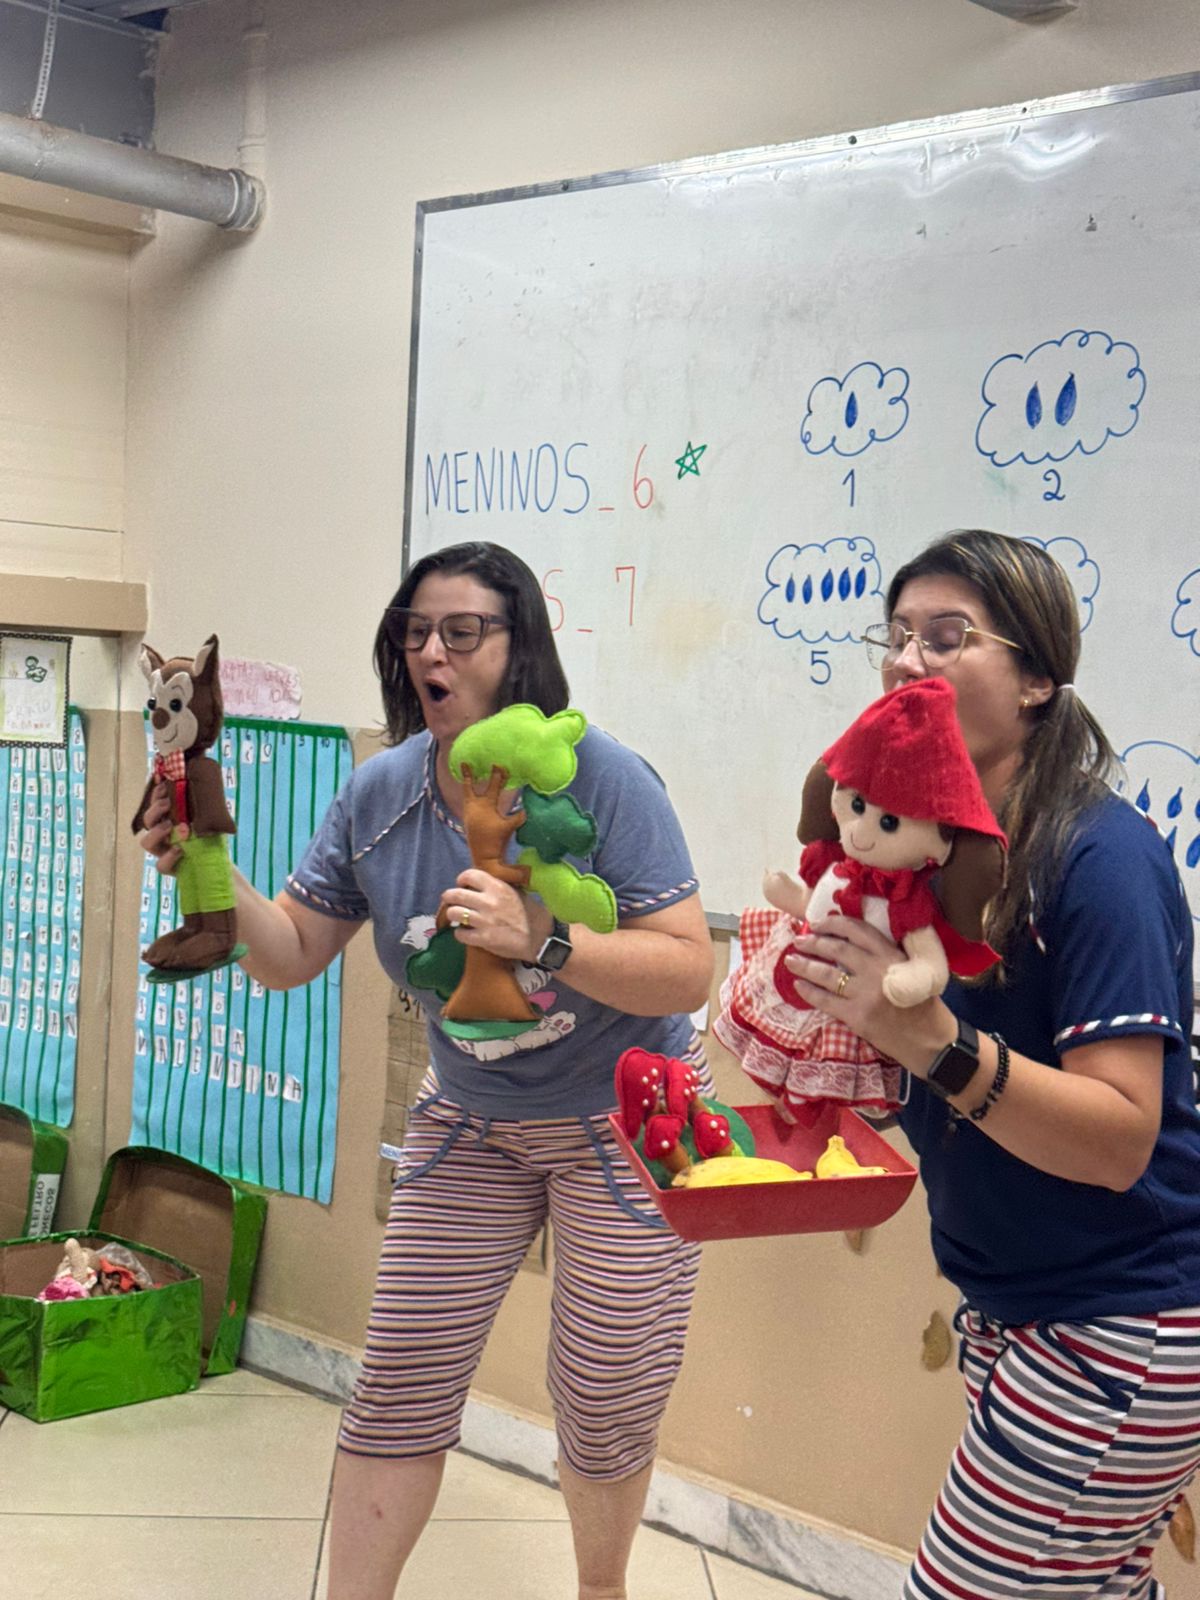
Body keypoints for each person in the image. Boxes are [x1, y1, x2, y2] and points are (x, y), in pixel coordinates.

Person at [137, 540, 713, 1600]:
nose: (431, 653)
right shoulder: (382, 792)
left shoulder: (604, 778)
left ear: (519, 645)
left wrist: (547, 939)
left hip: (627, 1118)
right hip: (473, 1118)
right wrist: (211, 871)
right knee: (399, 1380)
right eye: (414, 633)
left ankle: (603, 1588)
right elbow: (289, 954)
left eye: (462, 631)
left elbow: (686, 970)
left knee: (603, 1395)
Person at [781, 529, 1200, 1600]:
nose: (905, 661)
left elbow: (1119, 1138)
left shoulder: (1101, 858)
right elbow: (929, 1070)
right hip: (1018, 1303)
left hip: (1121, 1316)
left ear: (1037, 680)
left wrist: (934, 1042)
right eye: (895, 636)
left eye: (946, 636)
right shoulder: (926, 855)